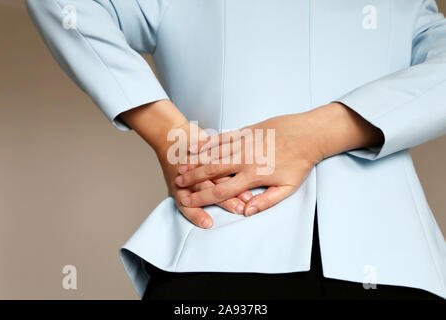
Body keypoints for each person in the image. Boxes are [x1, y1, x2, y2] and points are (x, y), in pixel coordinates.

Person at [26, 0, 446, 300]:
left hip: (395, 265)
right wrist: (168, 132)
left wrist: (315, 134)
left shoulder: (411, 7)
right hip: (221, 243)